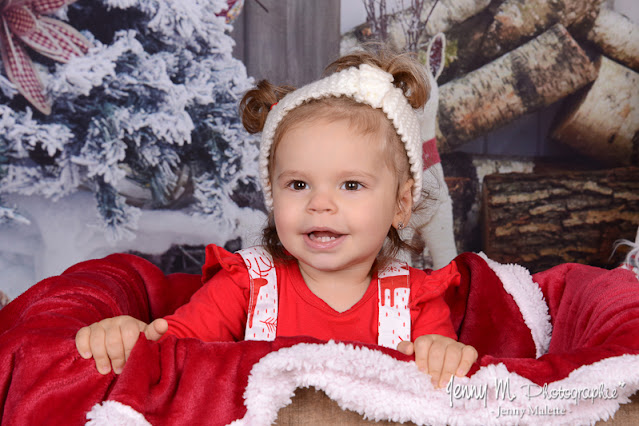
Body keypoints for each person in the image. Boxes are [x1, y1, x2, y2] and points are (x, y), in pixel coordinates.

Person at [75, 48, 478, 388]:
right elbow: (170, 349)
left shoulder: (413, 301)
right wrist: (126, 336)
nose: (321, 204)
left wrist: (443, 353)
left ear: (400, 205)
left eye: (351, 185)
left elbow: (439, 382)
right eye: (299, 185)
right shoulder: (247, 287)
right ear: (272, 194)